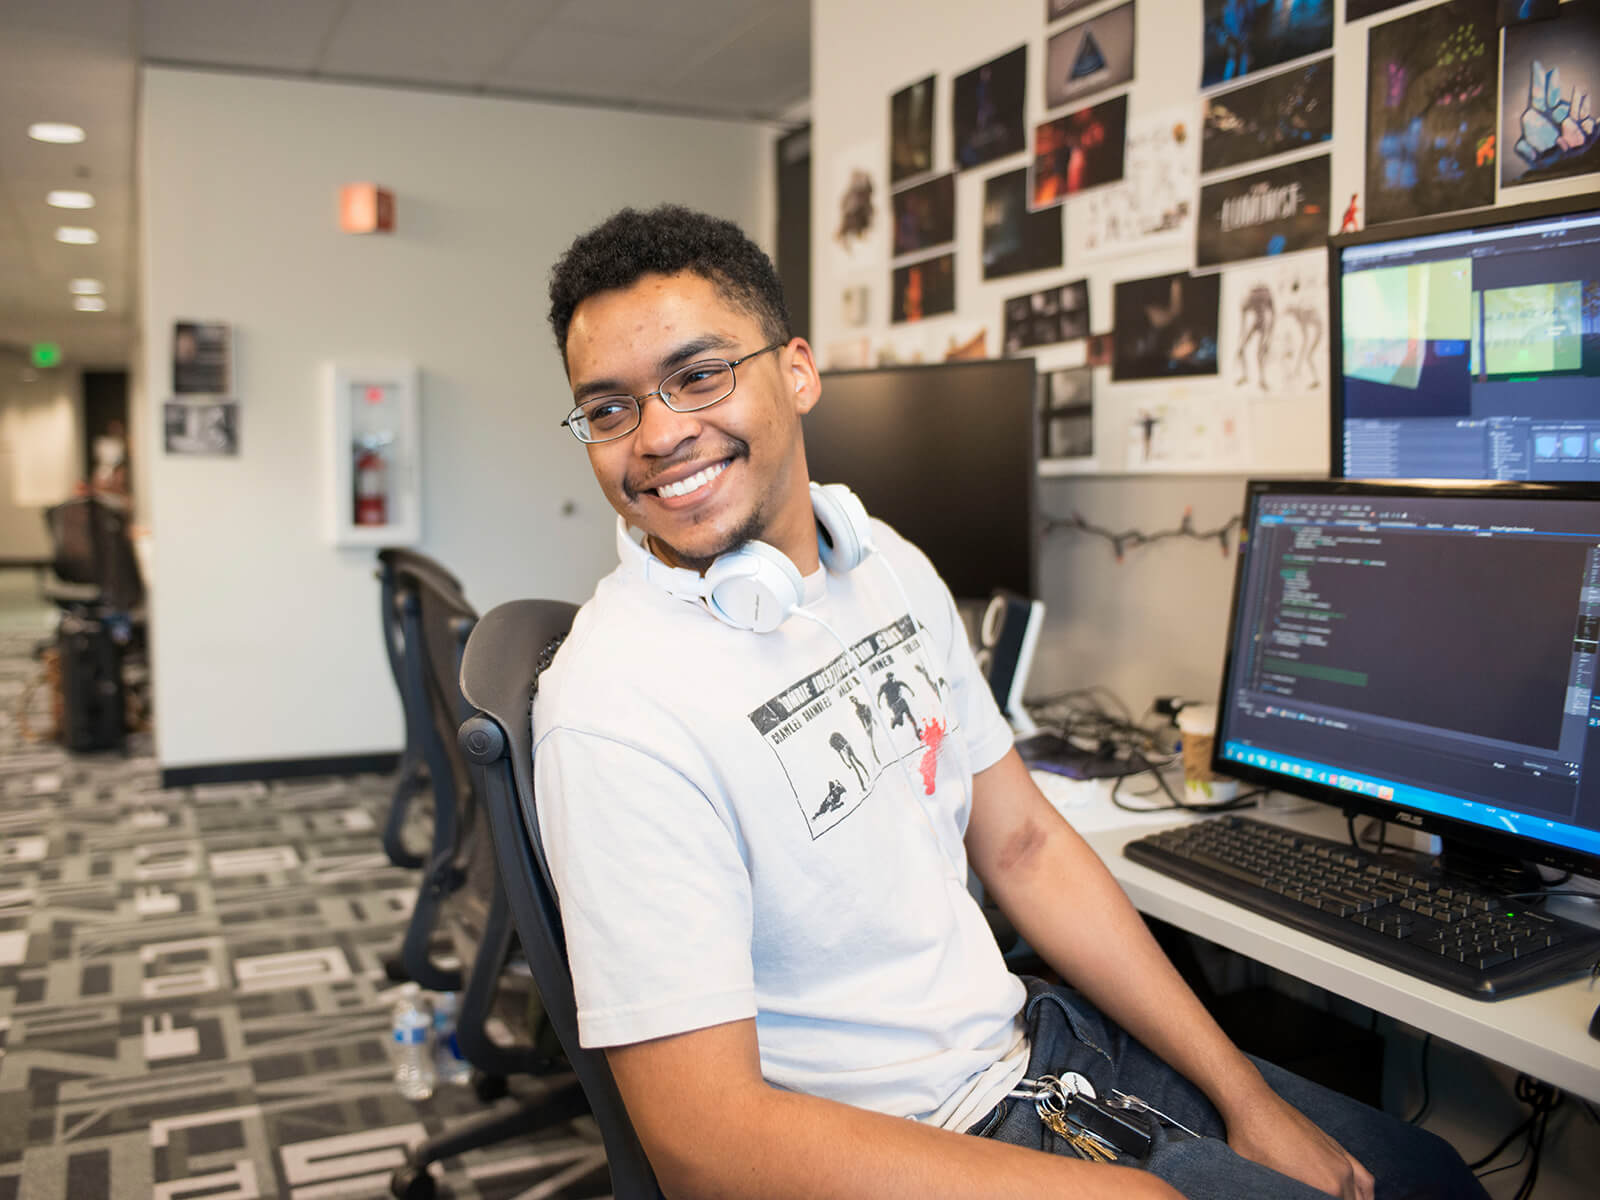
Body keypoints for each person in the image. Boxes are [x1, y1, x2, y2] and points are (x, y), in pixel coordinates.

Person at [533, 205, 1486, 1200]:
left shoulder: (885, 565)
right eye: (609, 409)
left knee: (1425, 1175)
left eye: (698, 375)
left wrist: (1243, 1096)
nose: (660, 435)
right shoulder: (613, 707)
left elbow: (1025, 847)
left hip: (1037, 1048)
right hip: (893, 1141)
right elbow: (705, 1143)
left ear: (799, 371)